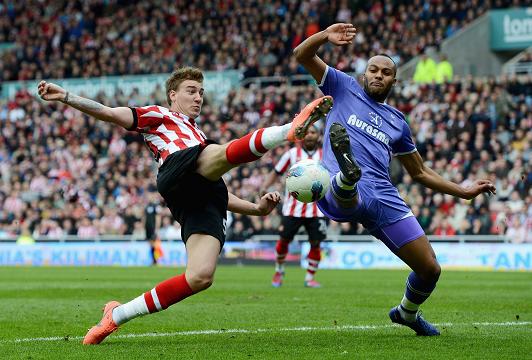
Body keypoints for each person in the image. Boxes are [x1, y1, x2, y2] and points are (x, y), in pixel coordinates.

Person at [37, 67, 333, 345]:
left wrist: (256, 209)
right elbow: (109, 113)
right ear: (173, 95)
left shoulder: (201, 136)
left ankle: (116, 315)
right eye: (191, 91)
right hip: (176, 170)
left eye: (201, 93)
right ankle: (287, 130)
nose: (198, 97)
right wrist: (66, 97)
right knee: (216, 155)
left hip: (199, 192)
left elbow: (218, 194)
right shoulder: (159, 115)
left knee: (200, 277)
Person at [293, 23, 496, 336]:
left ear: (394, 80)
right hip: (339, 187)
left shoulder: (397, 122)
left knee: (430, 268)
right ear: (365, 74)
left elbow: (420, 172)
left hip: (383, 195)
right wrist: (324, 36)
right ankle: (346, 178)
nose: (377, 75)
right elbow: (301, 55)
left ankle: (407, 313)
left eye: (385, 72)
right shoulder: (342, 87)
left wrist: (464, 191)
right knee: (347, 192)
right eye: (373, 70)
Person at [261, 125, 328, 288]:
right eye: (307, 133)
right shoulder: (291, 154)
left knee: (316, 243)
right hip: (292, 209)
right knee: (283, 241)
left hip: (317, 210)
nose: (309, 136)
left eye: (313, 133)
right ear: (301, 136)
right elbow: (276, 172)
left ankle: (310, 278)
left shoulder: (325, 155)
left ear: (318, 136)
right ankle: (279, 271)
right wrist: (264, 188)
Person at [144, 190, 162, 265]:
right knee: (150, 244)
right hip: (147, 228)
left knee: (154, 243)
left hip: (153, 227)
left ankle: (156, 260)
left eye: (150, 196)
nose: (149, 198)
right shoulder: (147, 206)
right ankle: (154, 260)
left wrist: (157, 228)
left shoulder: (156, 206)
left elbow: (158, 217)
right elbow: (145, 217)